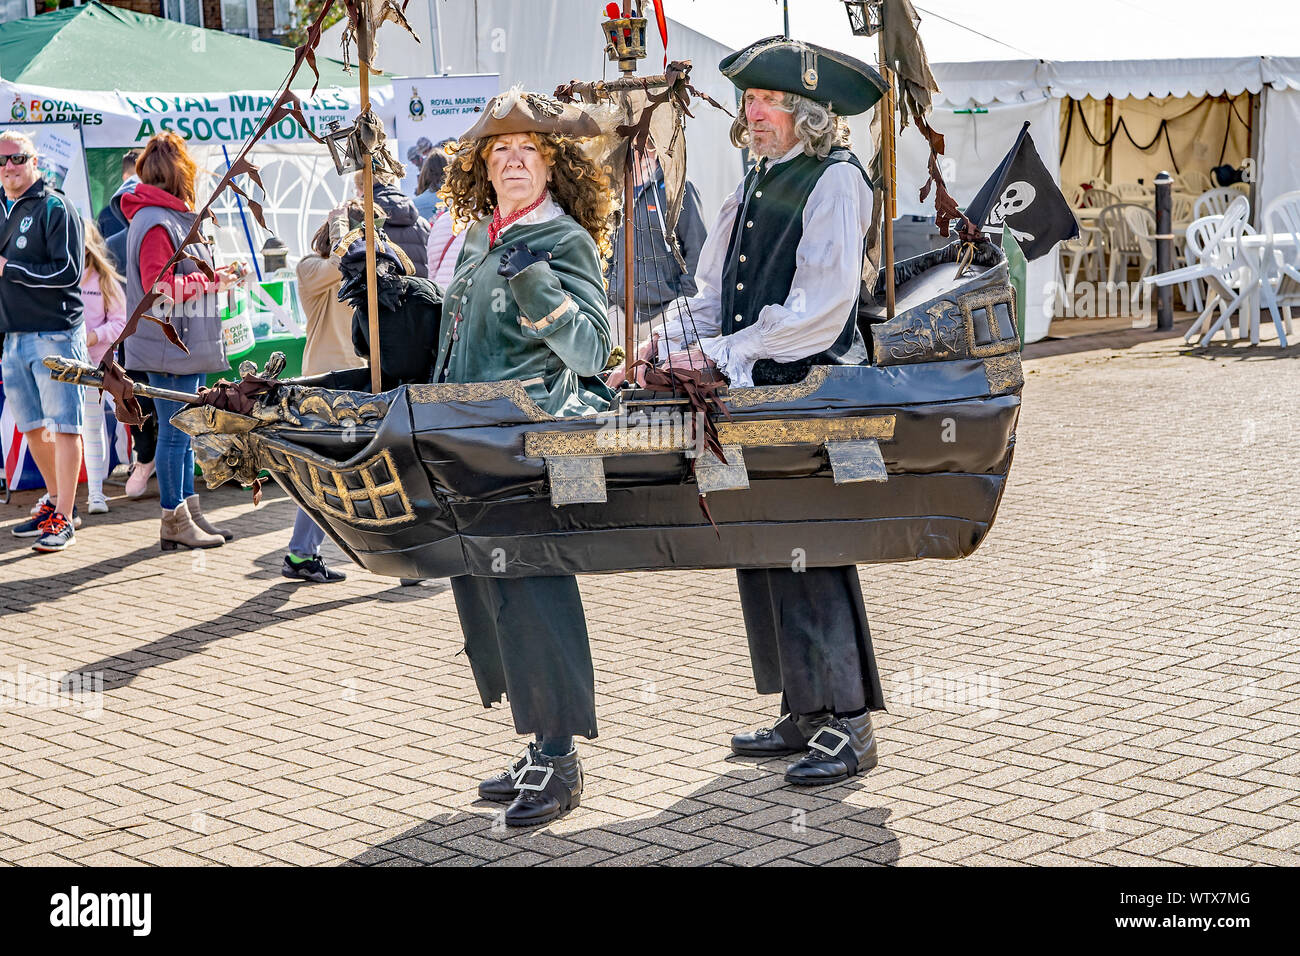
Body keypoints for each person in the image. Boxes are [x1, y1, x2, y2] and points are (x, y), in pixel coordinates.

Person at [633, 38, 889, 786]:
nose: (753, 115)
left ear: (808, 113)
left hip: (806, 392)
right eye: (749, 103)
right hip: (749, 392)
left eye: (767, 103)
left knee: (809, 544)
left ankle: (847, 720)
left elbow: (821, 308)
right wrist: (654, 344)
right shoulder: (753, 180)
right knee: (761, 544)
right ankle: (804, 708)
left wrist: (721, 355)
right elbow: (712, 297)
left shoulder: (837, 180)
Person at [435, 87, 614, 825]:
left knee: (537, 594)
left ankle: (563, 760)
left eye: (529, 149)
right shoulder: (479, 235)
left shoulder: (562, 240)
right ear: (481, 165)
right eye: (499, 149)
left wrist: (533, 280)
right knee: (491, 593)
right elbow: (462, 337)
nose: (513, 160)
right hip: (470, 443)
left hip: (532, 448)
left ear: (553, 164)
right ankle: (539, 749)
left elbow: (593, 351)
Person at [121, 131, 244, 551]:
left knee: (183, 433)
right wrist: (211, 279)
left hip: (176, 342)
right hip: (169, 343)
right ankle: (174, 519)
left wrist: (216, 276)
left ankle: (188, 513)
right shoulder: (156, 220)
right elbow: (160, 285)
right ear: (180, 175)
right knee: (177, 434)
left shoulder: (163, 216)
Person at [0, 130, 86, 552]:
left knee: (65, 426)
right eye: (1, 162)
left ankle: (66, 517)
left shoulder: (57, 206)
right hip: (13, 337)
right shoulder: (3, 208)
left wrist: (10, 268)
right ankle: (54, 503)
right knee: (32, 426)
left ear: (34, 160)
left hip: (56, 332)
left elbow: (70, 273)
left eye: (16, 159)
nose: (8, 168)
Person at [281, 203, 364, 584]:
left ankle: (302, 553)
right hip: (326, 383)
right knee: (325, 470)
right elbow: (340, 262)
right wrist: (343, 223)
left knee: (335, 470)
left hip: (358, 379)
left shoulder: (365, 270)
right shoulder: (311, 268)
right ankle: (301, 553)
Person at [604, 139, 707, 349]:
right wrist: (609, 301)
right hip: (619, 317)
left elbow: (698, 253)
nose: (635, 149)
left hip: (666, 315)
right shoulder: (612, 193)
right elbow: (605, 253)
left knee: (663, 381)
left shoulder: (678, 187)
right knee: (615, 379)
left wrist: (681, 304)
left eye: (640, 140)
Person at [80, 219, 128, 515]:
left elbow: (121, 322)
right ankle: (70, 494)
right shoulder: (60, 277)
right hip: (68, 366)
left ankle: (97, 493)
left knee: (100, 423)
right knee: (71, 428)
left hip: (101, 365)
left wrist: (95, 337)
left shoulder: (104, 278)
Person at [355, 166, 431, 278]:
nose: (356, 194)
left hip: (381, 293)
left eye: (356, 189)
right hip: (418, 292)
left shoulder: (363, 221)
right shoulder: (422, 224)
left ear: (363, 187)